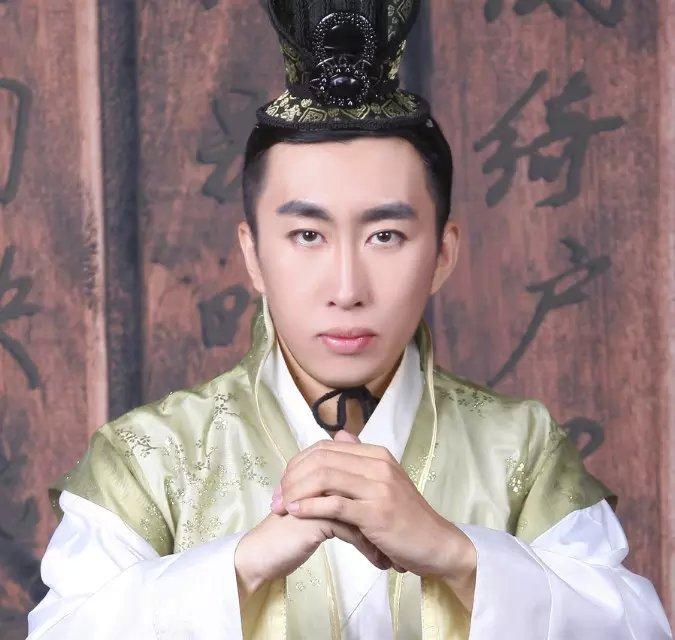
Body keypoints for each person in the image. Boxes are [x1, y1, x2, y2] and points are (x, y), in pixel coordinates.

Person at [27, 1, 672, 638]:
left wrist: (457, 554)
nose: (347, 289)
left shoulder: (520, 448)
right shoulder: (150, 457)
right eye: (307, 236)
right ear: (252, 254)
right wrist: (240, 567)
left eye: (385, 236)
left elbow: (635, 627)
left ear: (443, 253)